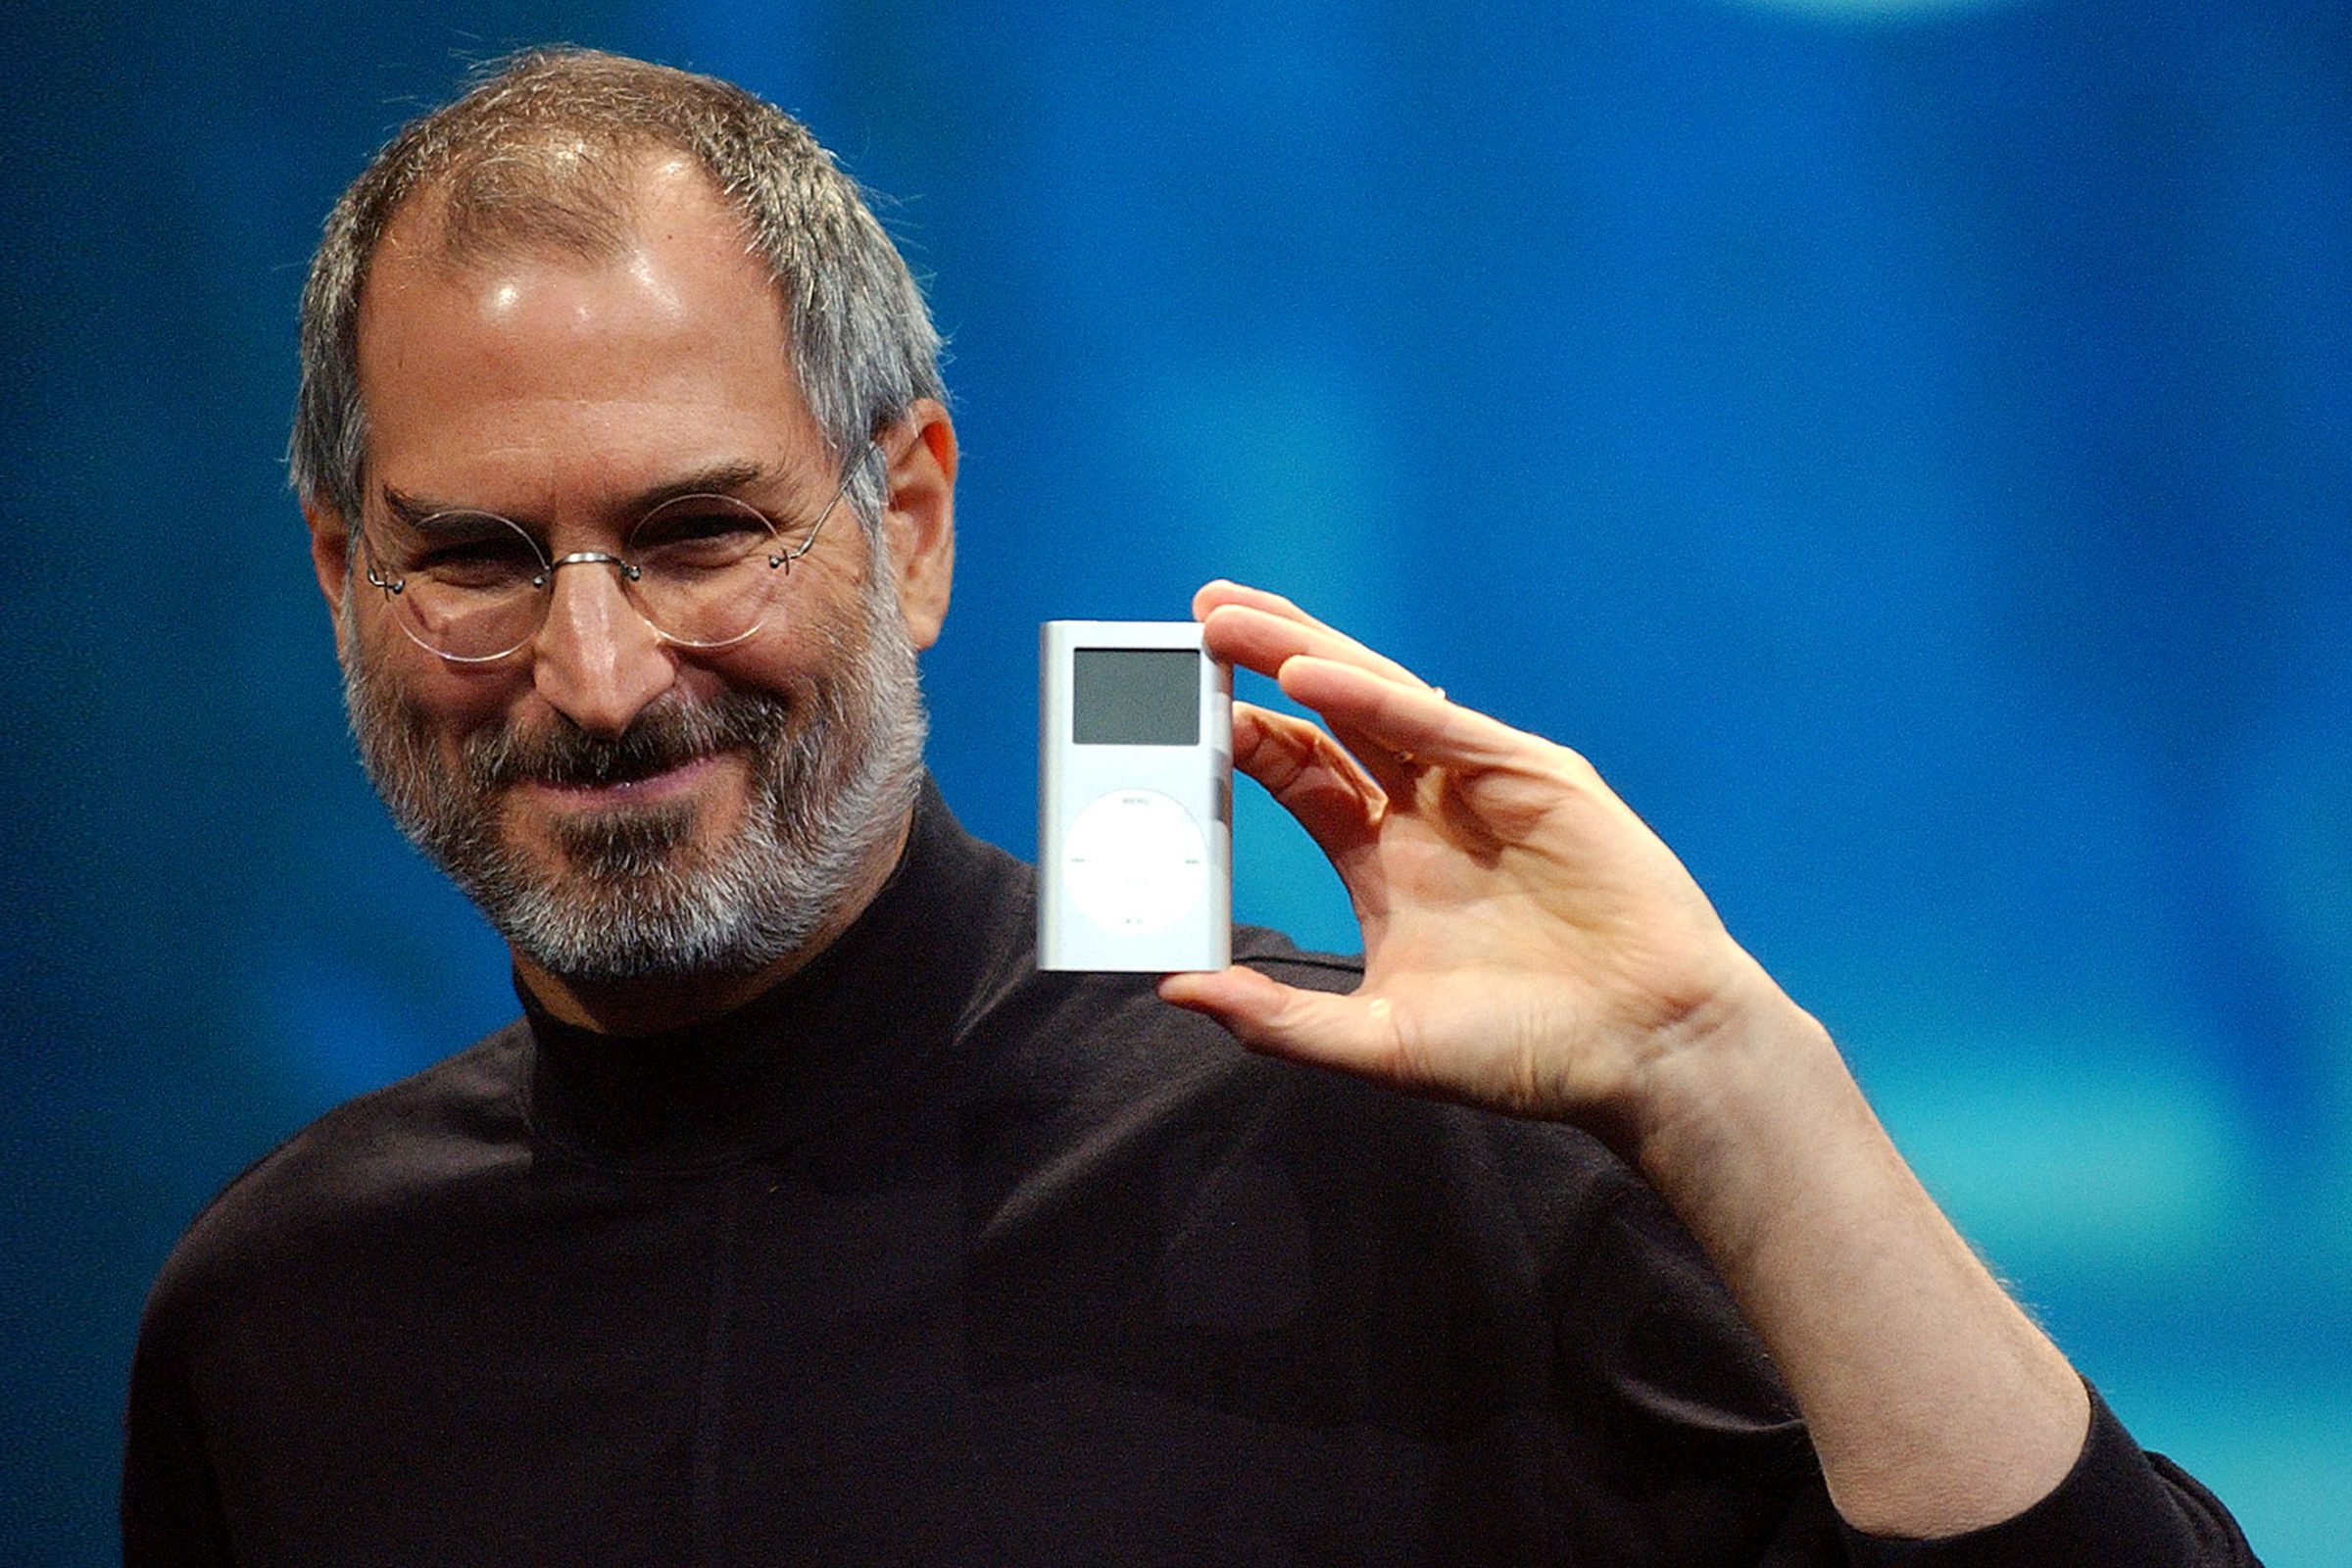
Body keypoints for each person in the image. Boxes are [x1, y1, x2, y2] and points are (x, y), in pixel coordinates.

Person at [123, 47, 2258, 1566]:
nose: (595, 677)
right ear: (342, 574)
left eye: (702, 535)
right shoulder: (274, 1317)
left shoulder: (1414, 1166)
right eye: (481, 557)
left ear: (918, 521)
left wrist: (1727, 1072)